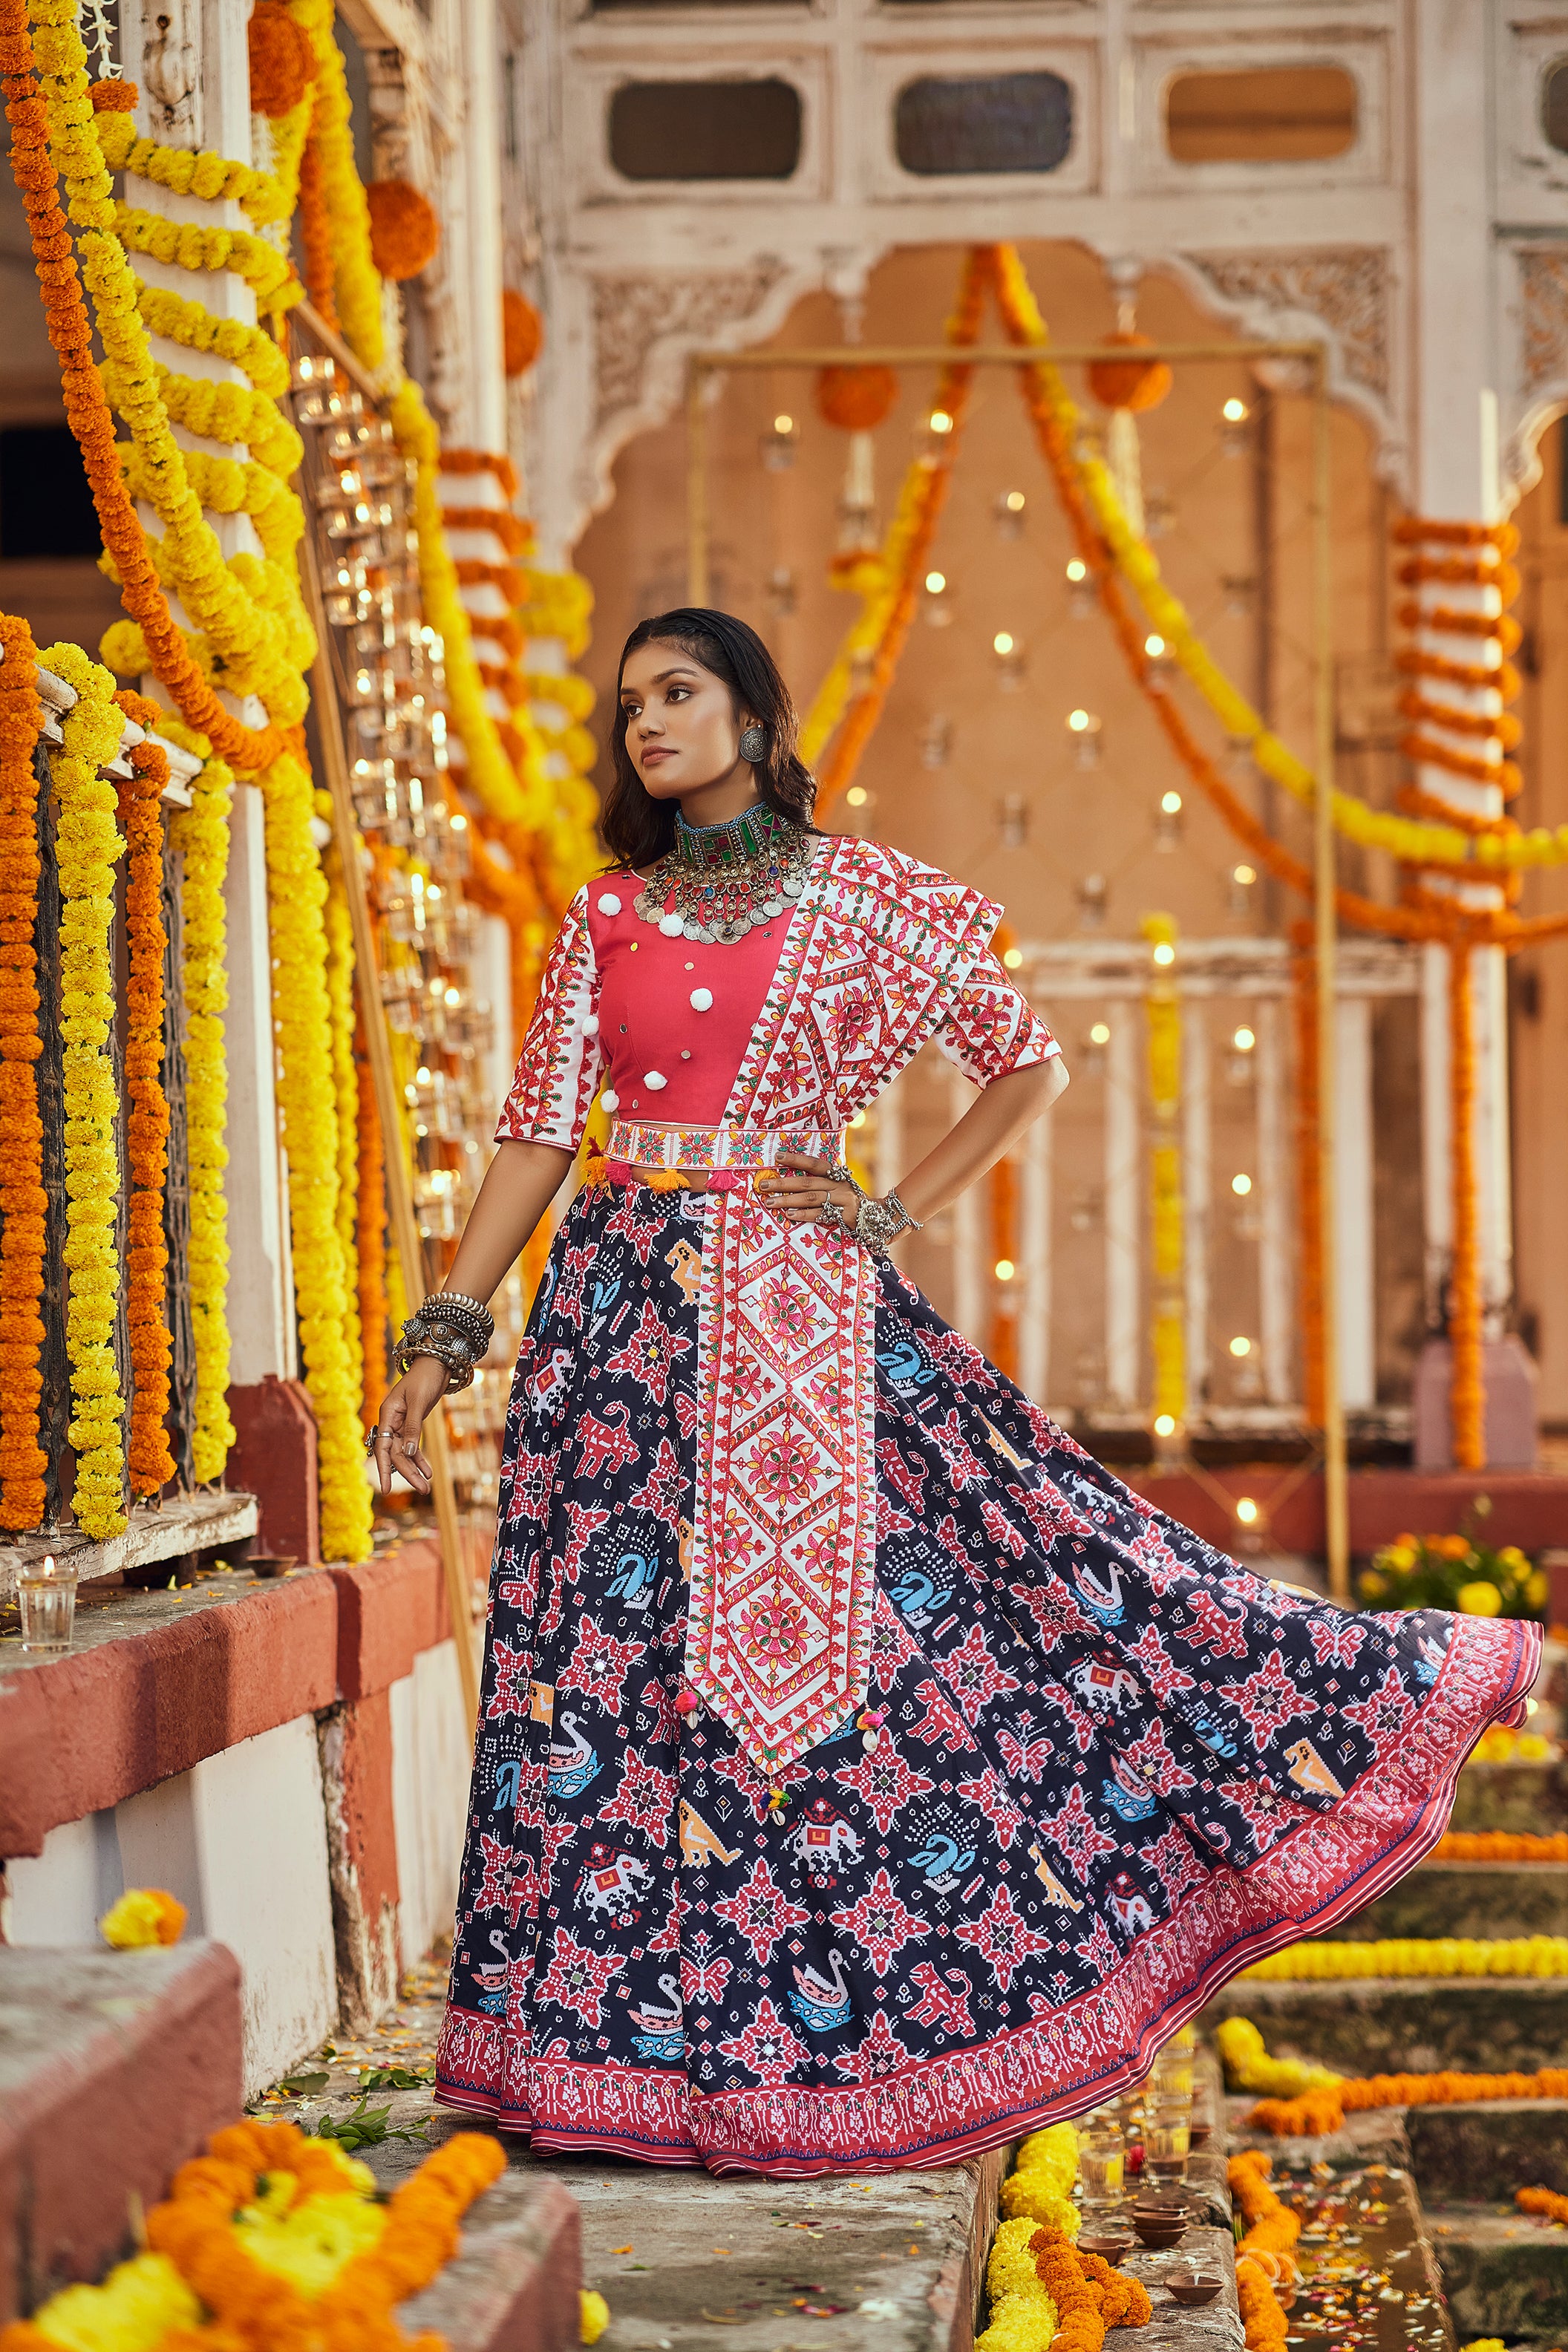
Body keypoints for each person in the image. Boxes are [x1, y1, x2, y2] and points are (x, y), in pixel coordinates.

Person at [373, 607, 1538, 2178]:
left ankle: (834, 2044)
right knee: (610, 1670)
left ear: (755, 717)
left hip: (805, 1313)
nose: (645, 723)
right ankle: (614, 2057)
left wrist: (895, 1207)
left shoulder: (865, 897)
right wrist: (450, 1322)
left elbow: (1024, 1058)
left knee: (978, 1605)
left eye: (679, 693)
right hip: (621, 1326)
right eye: (631, 701)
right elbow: (533, 1128)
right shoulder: (608, 913)